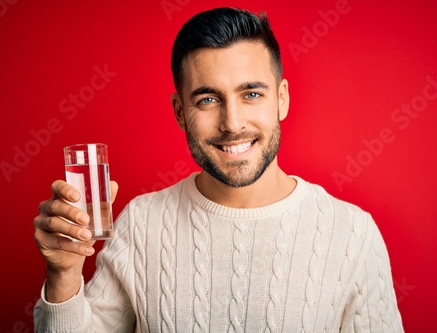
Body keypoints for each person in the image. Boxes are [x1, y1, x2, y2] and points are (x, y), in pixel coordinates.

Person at [33, 7, 404, 332]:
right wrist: (63, 275)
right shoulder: (141, 223)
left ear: (282, 99)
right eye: (208, 99)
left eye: (252, 94)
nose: (232, 122)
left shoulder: (353, 234)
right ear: (180, 112)